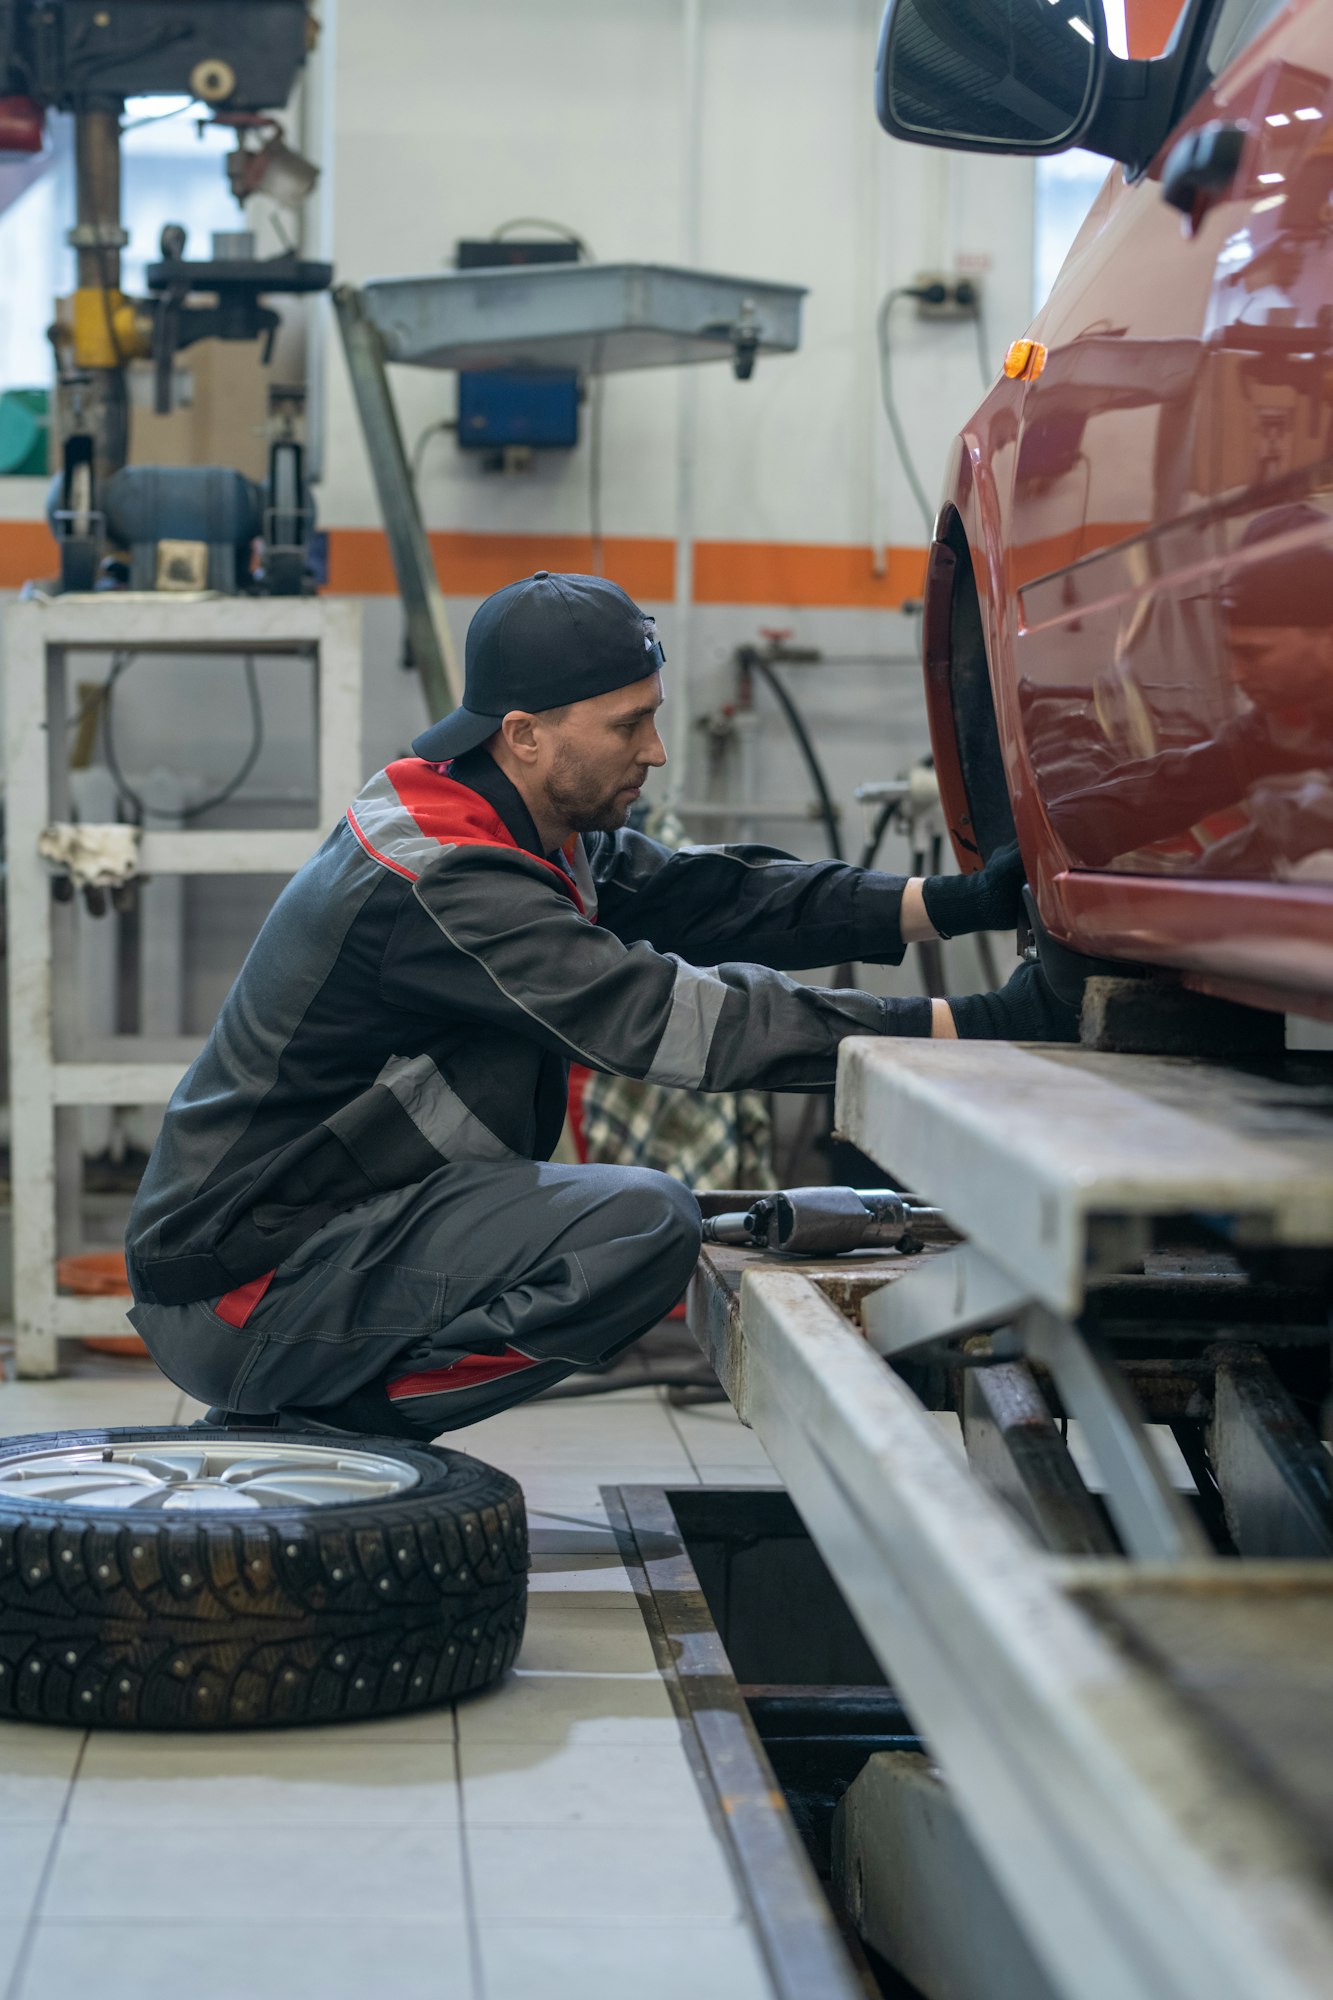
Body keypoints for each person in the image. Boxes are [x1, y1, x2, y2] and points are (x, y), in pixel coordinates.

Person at [125, 571, 1075, 1439]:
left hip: (315, 1226)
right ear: (525, 733)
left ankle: (320, 1411)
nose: (654, 750)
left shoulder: (509, 817)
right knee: (641, 1224)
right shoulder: (448, 879)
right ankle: (324, 1430)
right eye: (627, 725)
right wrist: (977, 1028)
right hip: (242, 1286)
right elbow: (672, 1020)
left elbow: (720, 896)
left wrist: (947, 904)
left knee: (638, 1204)